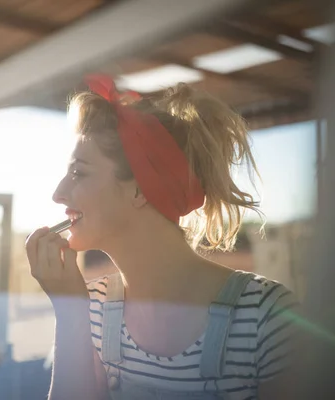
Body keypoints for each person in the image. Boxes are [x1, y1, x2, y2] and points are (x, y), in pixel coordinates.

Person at [25, 75, 300, 400]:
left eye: (78, 172)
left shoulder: (267, 318)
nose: (58, 194)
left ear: (141, 189)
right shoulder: (94, 309)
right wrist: (70, 309)